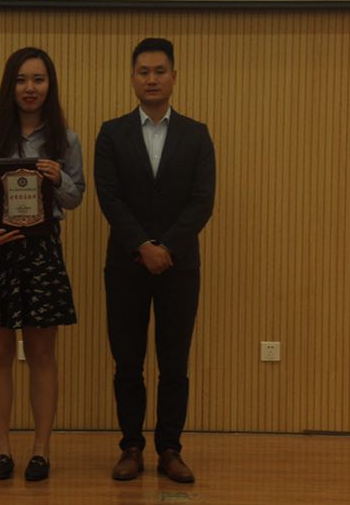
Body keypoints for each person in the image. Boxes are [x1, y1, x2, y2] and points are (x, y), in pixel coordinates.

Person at [0, 47, 85, 482]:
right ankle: (2, 450)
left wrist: (59, 179)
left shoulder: (66, 139)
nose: (30, 88)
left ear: (50, 85)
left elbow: (76, 197)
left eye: (38, 79)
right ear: (10, 85)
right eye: (21, 79)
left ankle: (41, 451)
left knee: (43, 355)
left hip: (41, 251)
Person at [93, 38, 216, 483]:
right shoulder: (112, 133)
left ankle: (170, 449)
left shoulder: (197, 134)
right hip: (126, 264)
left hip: (179, 267)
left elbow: (202, 201)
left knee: (174, 363)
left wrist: (166, 248)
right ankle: (131, 447)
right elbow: (109, 197)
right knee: (127, 363)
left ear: (174, 77)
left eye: (159, 71)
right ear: (132, 79)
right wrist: (143, 246)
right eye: (143, 71)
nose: (151, 79)